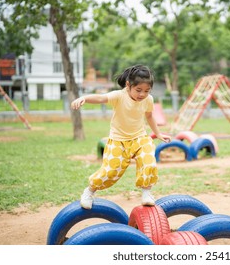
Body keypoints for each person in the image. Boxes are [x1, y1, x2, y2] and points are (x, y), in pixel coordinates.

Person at [71, 65, 171, 209]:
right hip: (118, 141)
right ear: (128, 85)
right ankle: (90, 191)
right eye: (138, 90)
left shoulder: (148, 99)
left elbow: (149, 116)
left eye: (146, 91)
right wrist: (84, 98)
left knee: (148, 159)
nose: (142, 94)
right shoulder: (119, 96)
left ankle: (146, 192)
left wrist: (158, 133)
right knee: (110, 172)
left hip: (139, 138)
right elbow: (100, 98)